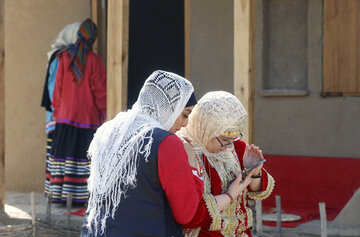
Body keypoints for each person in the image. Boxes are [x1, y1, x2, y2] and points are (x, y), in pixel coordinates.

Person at [81, 70, 206, 236]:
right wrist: (191, 163)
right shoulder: (166, 142)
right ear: (169, 108)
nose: (185, 124)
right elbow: (186, 213)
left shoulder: (108, 130)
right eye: (184, 114)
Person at [179, 91, 275, 237]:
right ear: (207, 129)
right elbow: (192, 212)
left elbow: (254, 192)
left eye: (234, 139)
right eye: (224, 139)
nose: (229, 146)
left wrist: (254, 172)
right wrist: (230, 195)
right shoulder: (188, 151)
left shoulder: (236, 147)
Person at [49, 18, 106, 204]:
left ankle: (61, 196)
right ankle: (80, 198)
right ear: (93, 39)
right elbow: (100, 92)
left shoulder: (64, 58)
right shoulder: (95, 61)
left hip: (64, 120)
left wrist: (57, 113)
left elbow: (57, 91)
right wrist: (105, 114)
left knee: (64, 159)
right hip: (87, 120)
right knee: (83, 160)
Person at [41, 21, 81, 200]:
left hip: (62, 114)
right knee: (58, 154)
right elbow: (53, 88)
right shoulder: (60, 57)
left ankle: (59, 194)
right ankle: (58, 194)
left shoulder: (73, 56)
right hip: (58, 116)